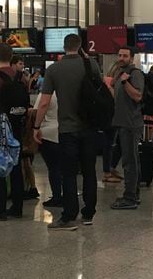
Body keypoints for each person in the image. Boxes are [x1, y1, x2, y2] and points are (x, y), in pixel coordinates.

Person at [34, 33, 102, 230]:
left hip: (67, 129)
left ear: (63, 47)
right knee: (89, 171)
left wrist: (36, 127)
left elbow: (45, 102)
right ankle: (88, 214)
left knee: (69, 173)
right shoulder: (92, 65)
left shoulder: (55, 69)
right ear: (80, 46)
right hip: (89, 127)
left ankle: (69, 216)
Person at [0, 43, 27, 220]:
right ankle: (17, 207)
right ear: (12, 55)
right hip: (17, 125)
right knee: (16, 167)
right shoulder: (20, 77)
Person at [109, 47, 145, 210]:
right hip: (122, 122)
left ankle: (130, 197)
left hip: (131, 123)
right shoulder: (119, 73)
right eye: (120, 55)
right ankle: (133, 194)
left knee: (129, 161)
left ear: (132, 58)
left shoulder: (134, 74)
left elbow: (137, 96)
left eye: (125, 56)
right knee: (131, 159)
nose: (121, 58)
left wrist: (125, 82)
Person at [35, 91, 63, 208]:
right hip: (65, 131)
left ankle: (56, 196)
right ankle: (68, 194)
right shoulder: (68, 91)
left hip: (47, 132)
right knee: (65, 168)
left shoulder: (45, 94)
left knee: (53, 167)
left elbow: (39, 109)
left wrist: (35, 127)